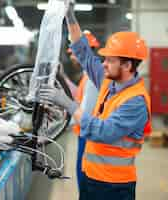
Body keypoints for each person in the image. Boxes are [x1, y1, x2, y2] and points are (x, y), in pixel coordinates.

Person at [39, 2, 151, 200]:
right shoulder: (110, 82)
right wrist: (70, 16)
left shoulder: (136, 101)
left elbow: (103, 132)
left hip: (114, 186)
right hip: (92, 176)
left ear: (127, 65)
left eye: (110, 60)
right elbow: (84, 53)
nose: (104, 64)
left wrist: (68, 103)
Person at [67, 30, 100, 190]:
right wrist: (63, 78)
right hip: (85, 136)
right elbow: (79, 97)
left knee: (86, 182)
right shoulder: (88, 75)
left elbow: (85, 114)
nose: (71, 57)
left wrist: (64, 118)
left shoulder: (93, 78)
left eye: (73, 53)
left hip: (88, 137)